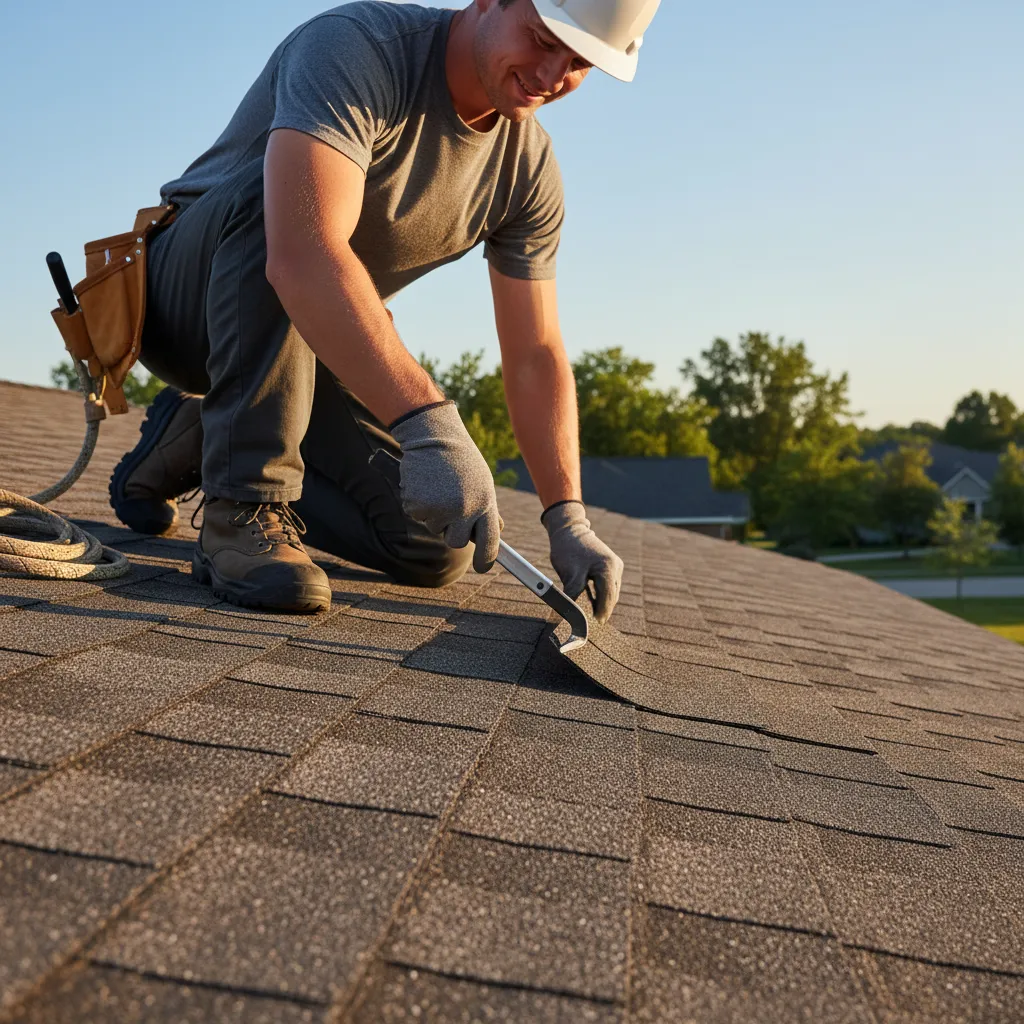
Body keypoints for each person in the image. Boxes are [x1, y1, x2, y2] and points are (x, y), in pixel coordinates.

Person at [109, 0, 661, 618]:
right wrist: (429, 420)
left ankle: (206, 433)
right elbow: (304, 254)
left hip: (303, 343)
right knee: (290, 202)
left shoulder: (526, 171)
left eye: (579, 62)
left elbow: (535, 352)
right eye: (541, 38)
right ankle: (243, 505)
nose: (552, 73)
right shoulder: (356, 49)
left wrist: (568, 515)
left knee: (434, 540)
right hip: (182, 299)